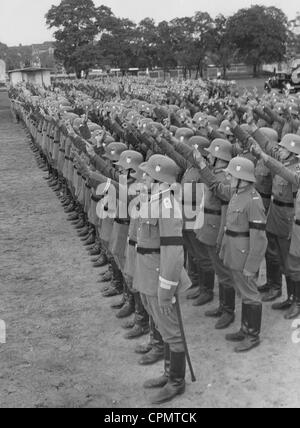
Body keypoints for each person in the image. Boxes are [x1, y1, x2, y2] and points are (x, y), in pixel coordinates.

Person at [193, 153, 267, 352]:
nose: (229, 178)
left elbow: (259, 239)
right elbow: (217, 189)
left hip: (244, 256)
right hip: (234, 252)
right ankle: (245, 328)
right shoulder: (236, 193)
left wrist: (252, 266)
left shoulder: (253, 200)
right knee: (244, 293)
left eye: (232, 175)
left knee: (251, 295)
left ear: (242, 178)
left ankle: (252, 335)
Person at [134, 154, 191, 404]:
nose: (142, 177)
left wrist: (166, 289)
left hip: (160, 278)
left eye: (147, 174)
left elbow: (173, 252)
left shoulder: (168, 207)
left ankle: (176, 381)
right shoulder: (153, 201)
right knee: (161, 326)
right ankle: (168, 373)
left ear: (159, 179)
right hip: (148, 275)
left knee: (172, 331)